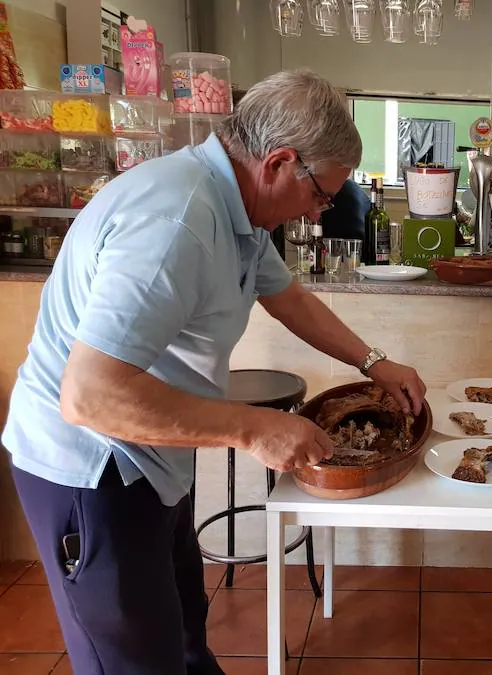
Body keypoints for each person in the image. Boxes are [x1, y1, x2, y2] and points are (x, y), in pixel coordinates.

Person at [2, 69, 426, 675]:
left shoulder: (238, 209)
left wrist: (374, 363)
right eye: (321, 194)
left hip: (152, 455)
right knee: (134, 660)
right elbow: (90, 395)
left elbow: (288, 298)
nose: (320, 209)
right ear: (279, 162)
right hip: (91, 473)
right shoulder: (176, 222)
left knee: (181, 636)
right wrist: (253, 430)